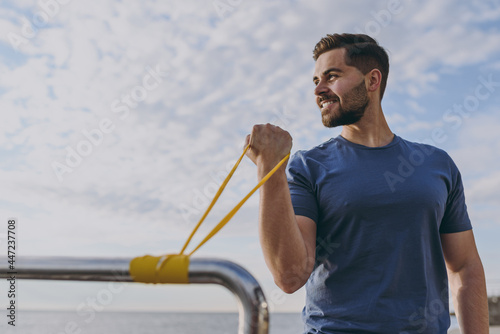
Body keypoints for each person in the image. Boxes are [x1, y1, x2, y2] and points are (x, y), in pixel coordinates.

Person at [244, 33, 489, 333]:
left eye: (332, 76)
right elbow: (290, 275)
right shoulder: (308, 167)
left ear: (372, 81)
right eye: (316, 80)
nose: (319, 89)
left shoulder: (437, 165)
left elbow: (465, 268)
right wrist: (270, 170)